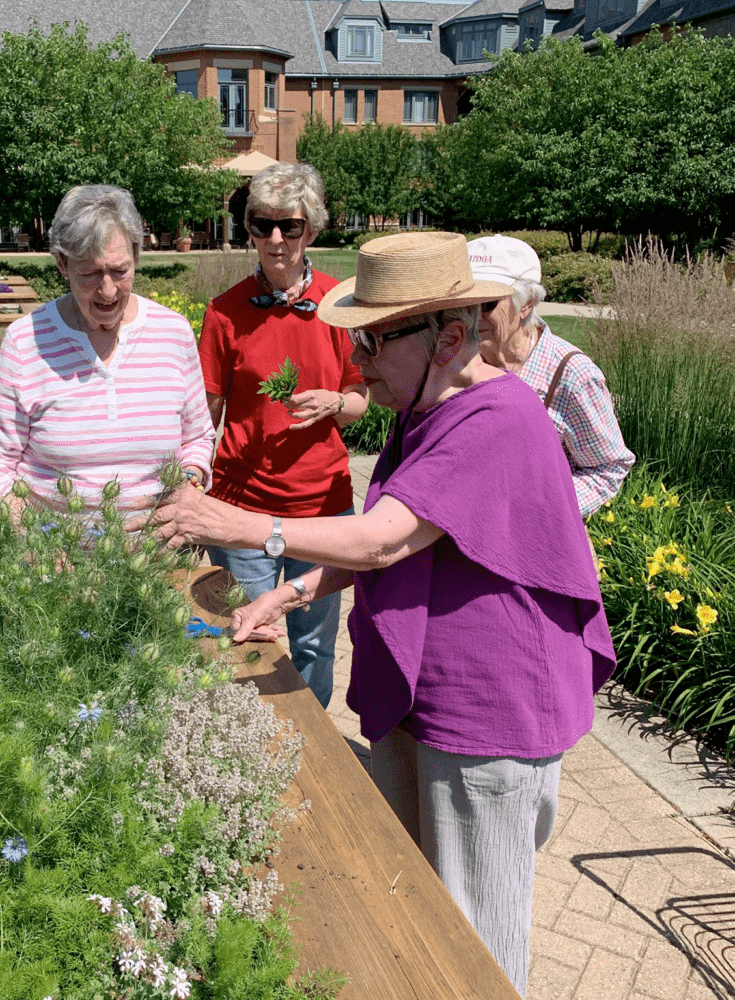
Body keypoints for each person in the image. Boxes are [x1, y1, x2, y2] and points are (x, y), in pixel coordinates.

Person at [145, 232, 616, 996]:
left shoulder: (495, 416)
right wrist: (289, 592)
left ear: (451, 336)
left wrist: (239, 525)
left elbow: (385, 539)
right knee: (417, 914)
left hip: (489, 715)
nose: (356, 362)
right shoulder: (425, 407)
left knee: (473, 945)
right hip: (427, 696)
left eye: (371, 339)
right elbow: (395, 531)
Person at [198, 161, 369, 709]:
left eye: (288, 226)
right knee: (250, 637)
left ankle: (313, 749)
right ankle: (254, 754)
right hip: (243, 508)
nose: (275, 239)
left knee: (316, 645)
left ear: (311, 230)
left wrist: (336, 402)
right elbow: (205, 418)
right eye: (261, 225)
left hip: (321, 506)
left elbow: (362, 401)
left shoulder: (340, 307)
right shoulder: (224, 313)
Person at [0, 185, 214, 523]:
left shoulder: (172, 333)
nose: (107, 290)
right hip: (53, 555)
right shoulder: (25, 340)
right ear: (62, 264)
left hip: (156, 553)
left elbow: (198, 437)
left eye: (120, 271)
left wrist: (191, 479)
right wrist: (31, 540)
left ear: (136, 257)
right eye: (89, 273)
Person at [467, 234, 634, 516]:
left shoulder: (572, 376)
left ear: (527, 303)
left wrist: (543, 510)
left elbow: (608, 468)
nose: (470, 317)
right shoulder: (456, 360)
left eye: (486, 304)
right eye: (464, 303)